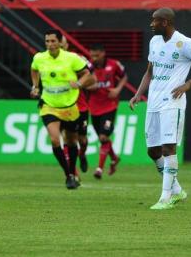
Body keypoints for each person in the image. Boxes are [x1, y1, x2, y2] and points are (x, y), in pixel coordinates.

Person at [129, 8, 191, 210]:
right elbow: (149, 72)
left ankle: (165, 197)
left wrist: (189, 84)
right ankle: (177, 191)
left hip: (172, 102)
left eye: (154, 21)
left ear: (165, 22)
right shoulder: (154, 42)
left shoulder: (185, 43)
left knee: (169, 148)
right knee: (153, 151)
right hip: (153, 102)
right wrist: (138, 93)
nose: (151, 24)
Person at [30, 29, 94, 189]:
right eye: (47, 41)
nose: (50, 44)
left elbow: (88, 74)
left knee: (72, 142)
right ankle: (68, 175)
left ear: (60, 42)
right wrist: (35, 86)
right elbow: (34, 70)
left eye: (53, 41)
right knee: (54, 139)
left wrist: (79, 84)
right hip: (49, 105)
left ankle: (72, 170)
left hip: (69, 106)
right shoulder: (39, 57)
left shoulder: (72, 58)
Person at [88, 44, 128, 179]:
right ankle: (115, 158)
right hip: (94, 108)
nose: (94, 58)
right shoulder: (89, 68)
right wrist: (89, 86)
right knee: (103, 139)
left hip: (110, 106)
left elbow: (124, 77)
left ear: (103, 53)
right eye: (92, 55)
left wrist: (117, 90)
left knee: (103, 137)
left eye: (96, 55)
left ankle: (99, 168)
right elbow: (85, 83)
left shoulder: (114, 64)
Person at [60, 36, 96, 174]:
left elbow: (93, 79)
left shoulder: (77, 59)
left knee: (82, 140)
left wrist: (79, 84)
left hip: (80, 106)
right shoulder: (49, 61)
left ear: (67, 45)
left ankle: (82, 154)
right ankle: (72, 173)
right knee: (67, 138)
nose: (60, 48)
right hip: (62, 106)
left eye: (62, 46)